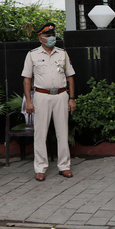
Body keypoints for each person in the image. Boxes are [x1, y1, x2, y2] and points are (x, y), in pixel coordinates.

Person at [22, 22, 76, 181]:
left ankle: (64, 166)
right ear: (41, 38)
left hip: (61, 95)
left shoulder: (63, 54)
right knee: (40, 133)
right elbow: (27, 80)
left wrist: (72, 98)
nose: (52, 38)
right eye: (48, 36)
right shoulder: (32, 54)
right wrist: (29, 102)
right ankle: (40, 168)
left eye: (53, 35)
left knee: (62, 132)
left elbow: (70, 78)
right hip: (41, 96)